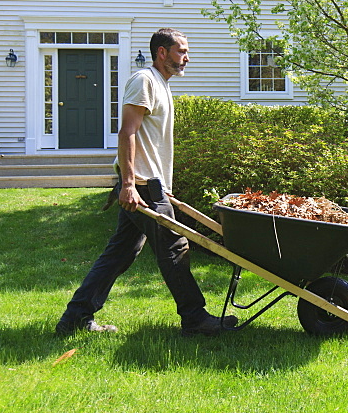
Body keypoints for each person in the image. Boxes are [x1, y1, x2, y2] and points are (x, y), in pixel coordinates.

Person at [55, 28, 237, 336]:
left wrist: (163, 183)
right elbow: (128, 133)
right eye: (181, 51)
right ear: (162, 52)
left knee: (119, 254)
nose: (186, 57)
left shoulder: (162, 85)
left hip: (151, 185)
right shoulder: (145, 81)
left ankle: (75, 317)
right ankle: (194, 318)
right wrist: (128, 184)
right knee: (175, 248)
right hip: (140, 186)